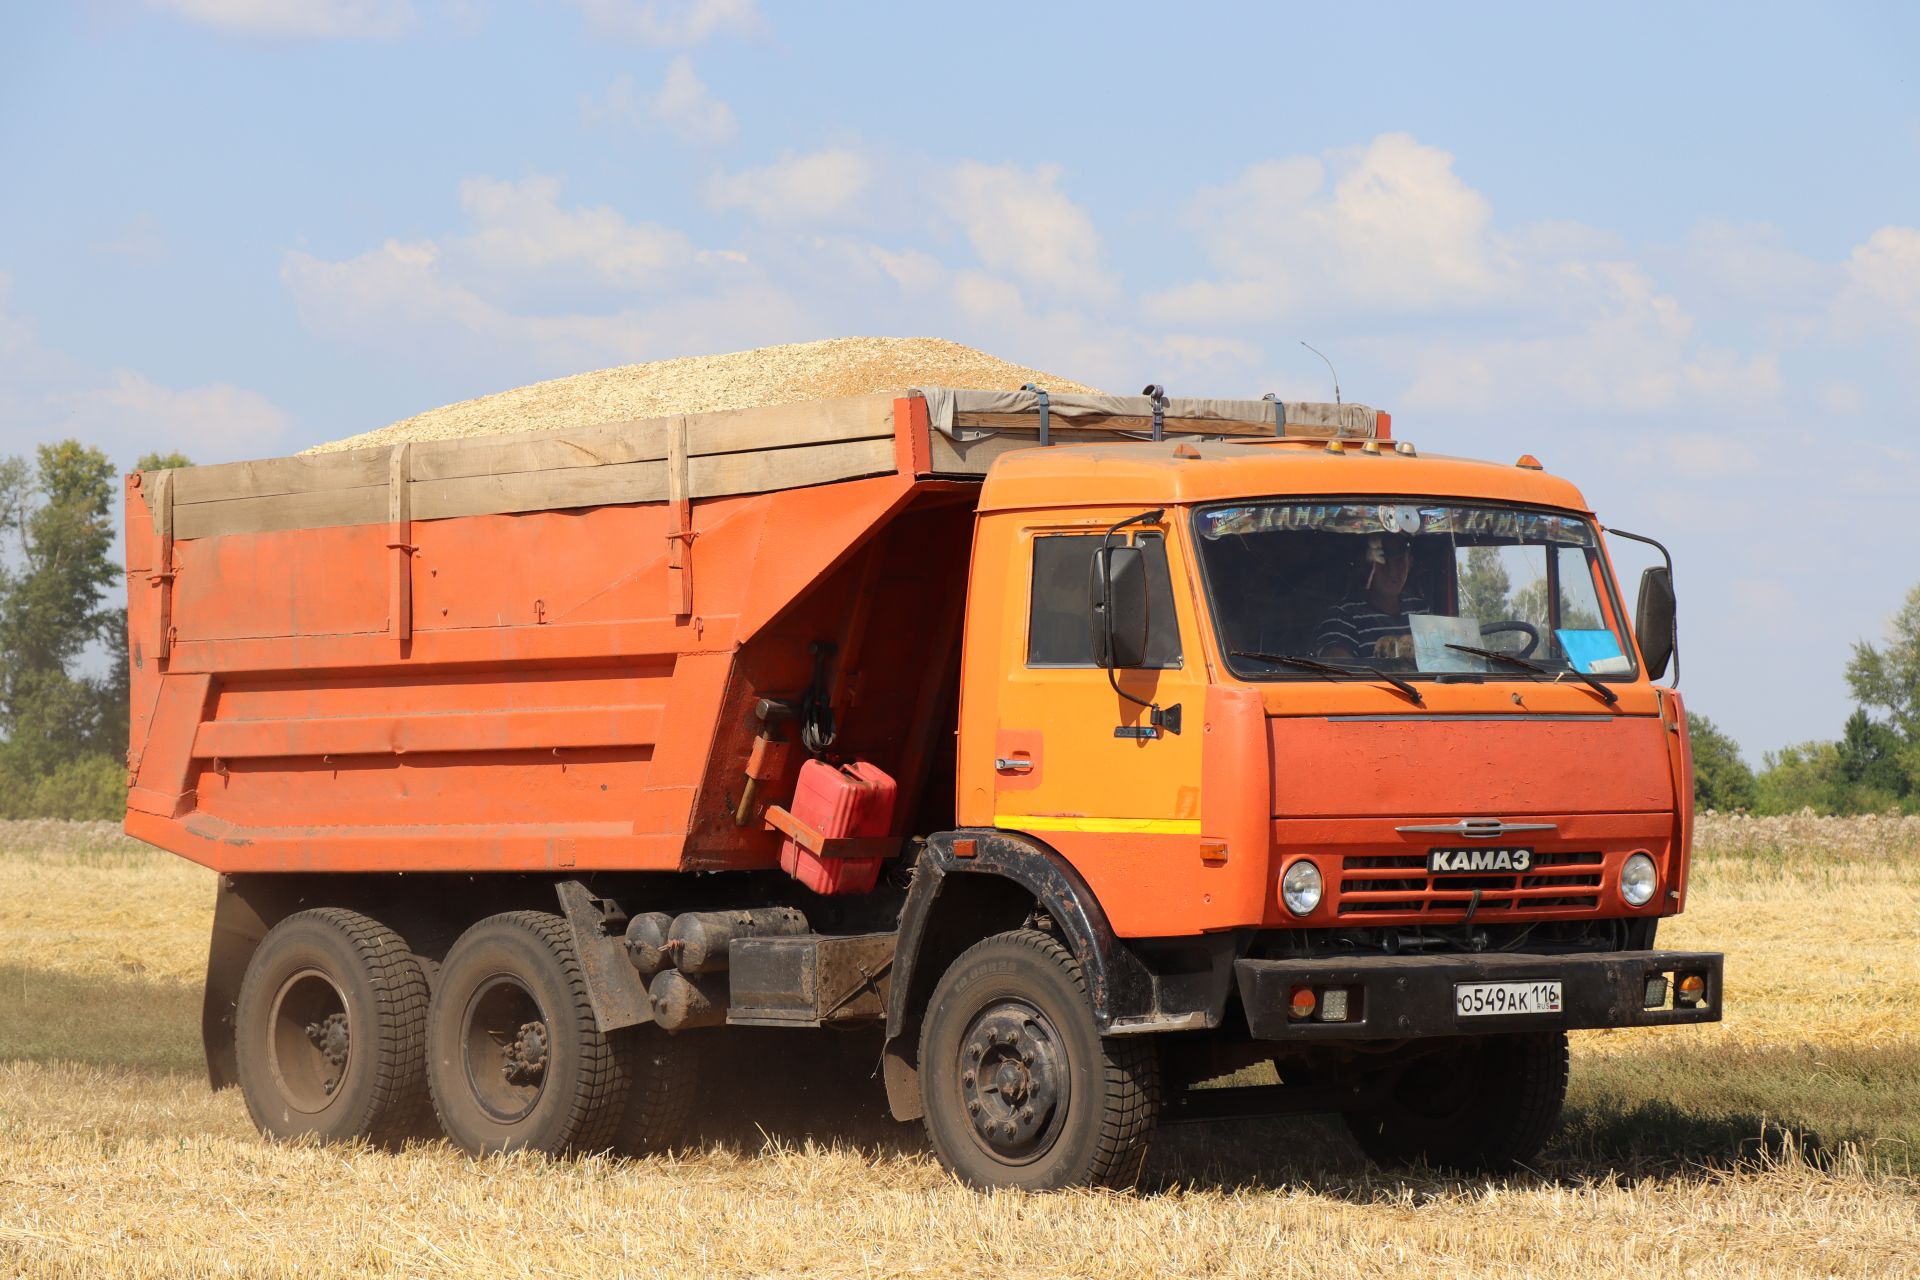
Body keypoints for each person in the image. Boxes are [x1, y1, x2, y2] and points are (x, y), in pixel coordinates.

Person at [1315, 534, 1430, 665]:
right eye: (1382, 562)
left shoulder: (1420, 610)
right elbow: (1339, 676)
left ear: (1409, 562)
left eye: (1399, 561)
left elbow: (1439, 663)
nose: (1392, 572)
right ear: (1363, 565)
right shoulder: (1342, 617)